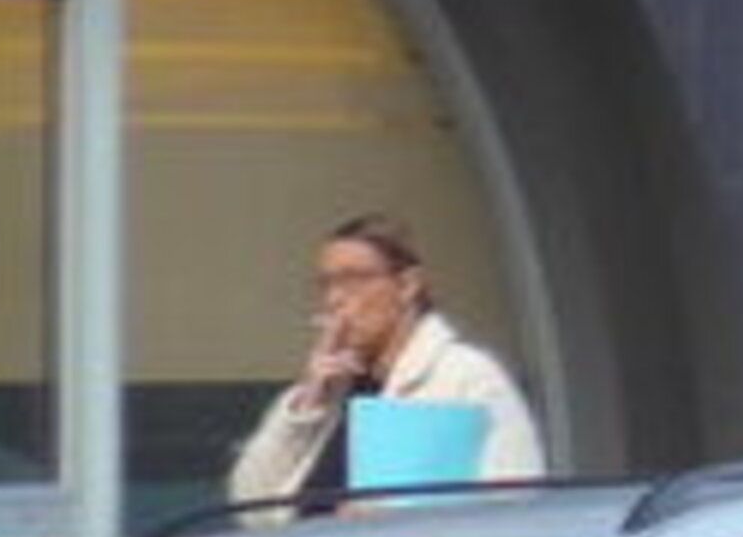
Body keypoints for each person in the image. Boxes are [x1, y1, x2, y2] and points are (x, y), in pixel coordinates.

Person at [228, 211, 546, 505]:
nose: (333, 299)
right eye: (325, 284)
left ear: (407, 285)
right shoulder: (330, 388)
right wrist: (305, 406)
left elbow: (513, 502)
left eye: (352, 280)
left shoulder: (465, 375)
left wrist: (376, 525)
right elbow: (250, 504)